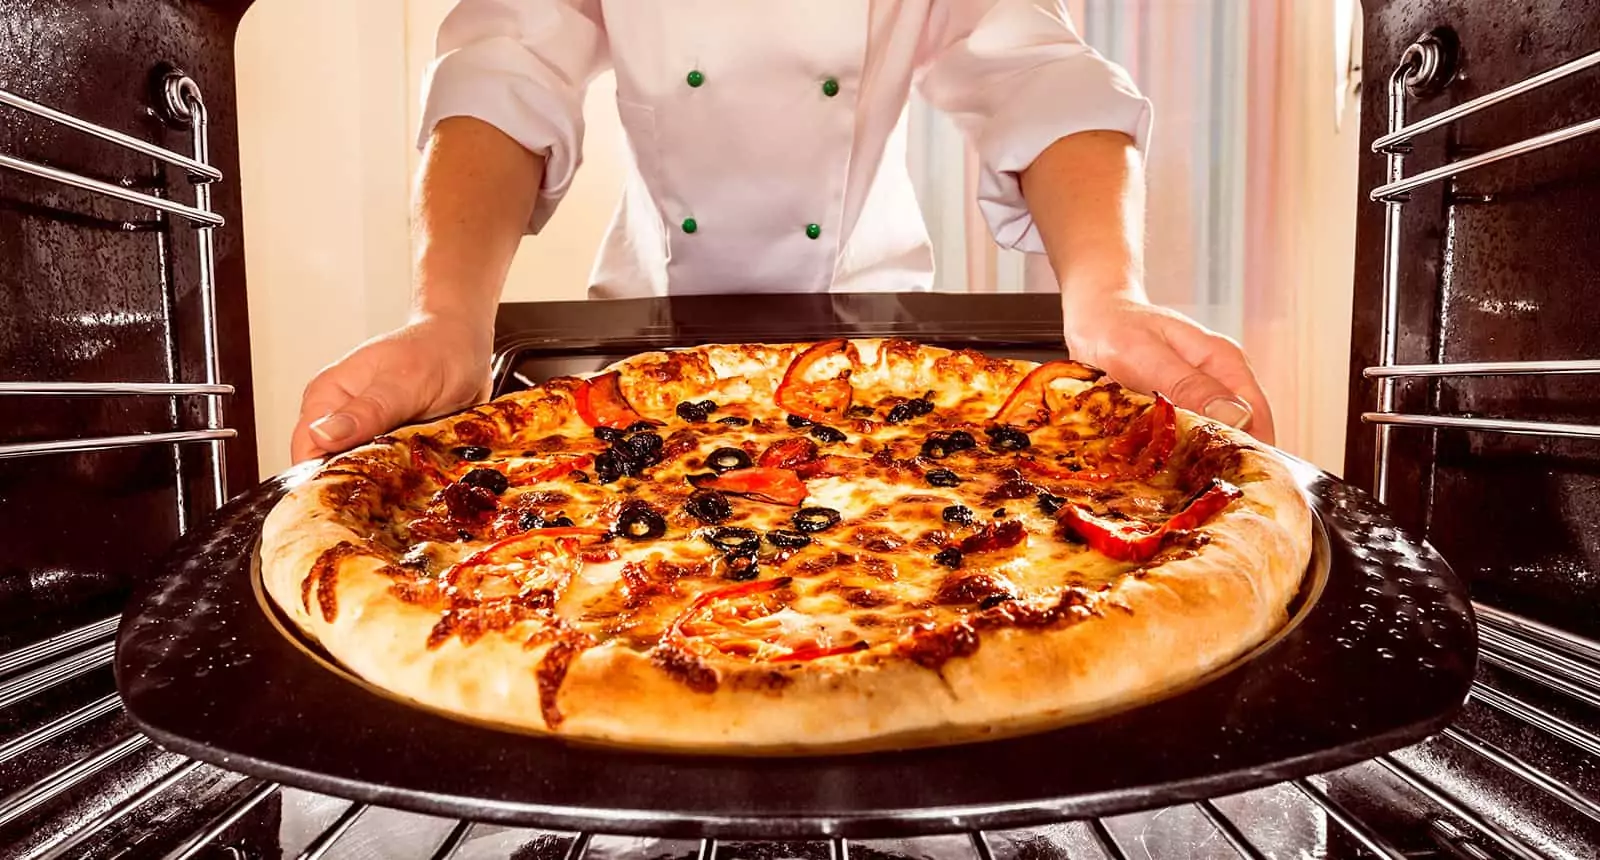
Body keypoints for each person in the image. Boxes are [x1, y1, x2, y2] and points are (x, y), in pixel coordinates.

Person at [289, 0, 1275, 464]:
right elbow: (506, 68)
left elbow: (1035, 72)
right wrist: (449, 317)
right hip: (637, 337)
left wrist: (1106, 297)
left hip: (877, 343)